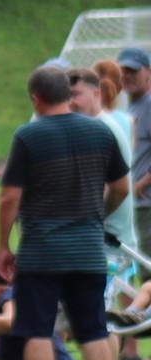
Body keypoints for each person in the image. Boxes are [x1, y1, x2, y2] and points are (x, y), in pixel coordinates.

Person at [0, 64, 129, 360]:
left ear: (36, 98)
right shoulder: (100, 131)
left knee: (37, 331)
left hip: (42, 252)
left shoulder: (29, 136)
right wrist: (98, 215)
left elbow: (9, 197)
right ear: (68, 95)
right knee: (94, 331)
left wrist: (3, 244)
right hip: (88, 250)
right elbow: (121, 187)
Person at [72, 65, 137, 275]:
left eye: (76, 95)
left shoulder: (100, 130)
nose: (71, 101)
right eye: (66, 96)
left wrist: (92, 220)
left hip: (107, 245)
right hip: (104, 243)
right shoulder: (96, 126)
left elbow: (118, 188)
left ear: (96, 93)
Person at [119, 46, 151, 253]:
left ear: (148, 72)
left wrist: (143, 182)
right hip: (136, 204)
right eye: (124, 71)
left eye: (134, 70)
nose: (128, 76)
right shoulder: (133, 106)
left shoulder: (149, 104)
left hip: (147, 203)